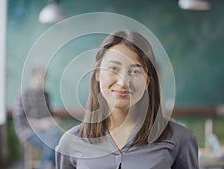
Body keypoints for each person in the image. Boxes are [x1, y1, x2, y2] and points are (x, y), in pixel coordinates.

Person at [55, 30, 199, 169]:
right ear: (98, 74)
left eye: (135, 71)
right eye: (113, 68)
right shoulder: (70, 142)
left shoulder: (180, 139)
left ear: (147, 81)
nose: (123, 82)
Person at [13, 67, 62, 169]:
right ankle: (48, 165)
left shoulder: (46, 95)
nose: (43, 81)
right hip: (28, 131)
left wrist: (52, 121)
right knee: (53, 142)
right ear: (33, 77)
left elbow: (49, 115)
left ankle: (46, 165)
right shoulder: (22, 93)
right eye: (41, 77)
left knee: (56, 135)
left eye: (45, 78)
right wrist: (40, 124)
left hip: (47, 130)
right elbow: (20, 119)